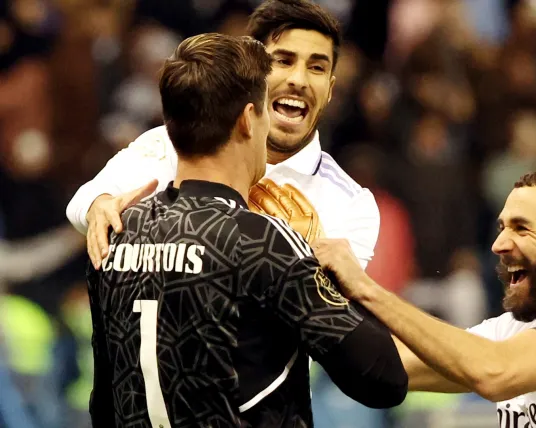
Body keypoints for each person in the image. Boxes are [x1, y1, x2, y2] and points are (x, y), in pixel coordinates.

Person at [86, 33, 406, 428]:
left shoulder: (115, 233)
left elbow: (104, 402)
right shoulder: (262, 240)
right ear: (246, 120)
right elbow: (383, 380)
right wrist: (325, 272)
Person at [314, 165, 536, 427]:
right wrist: (304, 302)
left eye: (521, 228)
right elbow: (386, 366)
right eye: (502, 227)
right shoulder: (515, 331)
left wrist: (366, 288)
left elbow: (495, 371)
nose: (499, 244)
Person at [66, 0, 379, 274]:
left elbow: (333, 317)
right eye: (283, 61)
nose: (299, 80)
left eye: (317, 67)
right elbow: (85, 202)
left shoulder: (351, 204)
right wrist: (100, 205)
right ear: (252, 73)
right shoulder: (175, 143)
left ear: (331, 90)